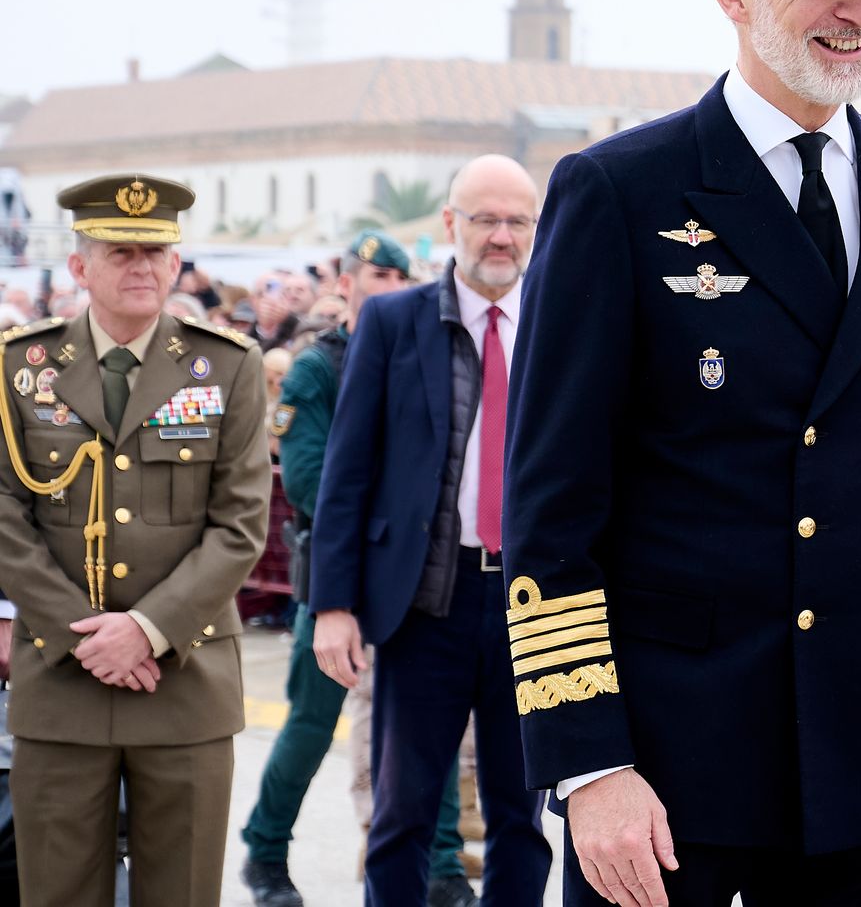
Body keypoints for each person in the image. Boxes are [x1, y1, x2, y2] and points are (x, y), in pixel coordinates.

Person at [504, 0, 861, 907]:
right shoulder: (621, 191)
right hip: (666, 769)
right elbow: (550, 509)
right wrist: (588, 765)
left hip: (857, 760)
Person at [0, 174, 270, 907]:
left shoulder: (228, 366)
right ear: (79, 266)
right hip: (61, 684)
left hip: (184, 682)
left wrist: (146, 631)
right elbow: (5, 517)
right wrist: (83, 635)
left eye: (155, 252)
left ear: (176, 264)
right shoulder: (19, 369)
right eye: (120, 252)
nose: (141, 266)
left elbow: (241, 524)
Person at [308, 158, 551, 906]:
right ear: (450, 224)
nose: (501, 236)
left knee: (522, 819)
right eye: (485, 219)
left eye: (517, 221)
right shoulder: (393, 322)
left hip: (532, 607)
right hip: (424, 605)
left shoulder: (562, 320)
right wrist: (333, 604)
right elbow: (347, 471)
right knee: (402, 814)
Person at [236, 231, 476, 907]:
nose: (390, 289)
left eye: (399, 278)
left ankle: (442, 865)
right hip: (340, 576)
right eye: (376, 276)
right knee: (312, 726)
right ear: (346, 285)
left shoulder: (429, 353)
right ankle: (266, 852)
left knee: (430, 725)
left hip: (417, 577)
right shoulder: (318, 368)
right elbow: (310, 481)